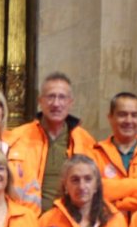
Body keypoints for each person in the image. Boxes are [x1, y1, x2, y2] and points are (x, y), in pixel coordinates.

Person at [10, 72, 96, 212]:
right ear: (40, 101)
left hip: (70, 221)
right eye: (51, 97)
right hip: (28, 220)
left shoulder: (85, 140)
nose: (56, 103)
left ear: (70, 103)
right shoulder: (17, 137)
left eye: (62, 97)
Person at [92, 92, 137, 219]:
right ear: (110, 117)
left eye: (134, 115)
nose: (129, 120)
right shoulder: (95, 153)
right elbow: (95, 191)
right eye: (122, 114)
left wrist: (120, 203)